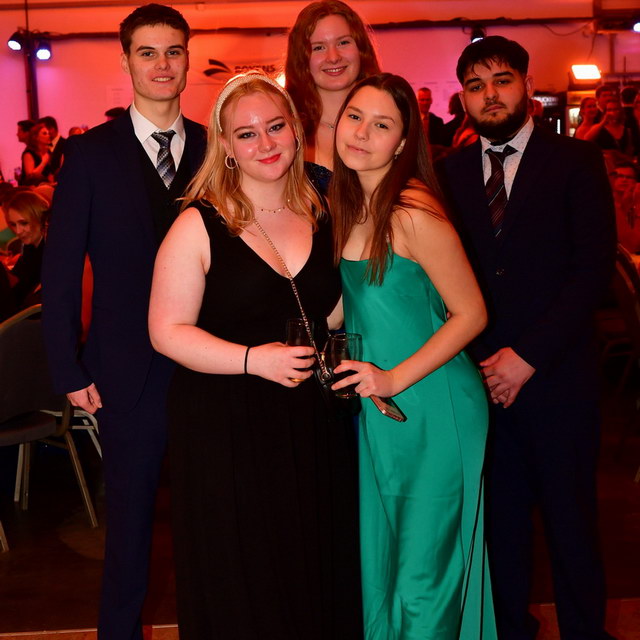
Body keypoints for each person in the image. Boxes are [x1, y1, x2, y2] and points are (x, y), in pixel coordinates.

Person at [148, 70, 362, 639]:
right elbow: (166, 331)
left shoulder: (324, 211)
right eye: (247, 134)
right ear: (225, 144)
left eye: (275, 127)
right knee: (244, 573)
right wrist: (252, 359)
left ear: (296, 130)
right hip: (225, 424)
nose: (265, 143)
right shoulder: (198, 223)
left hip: (310, 419)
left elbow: (328, 310)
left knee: (311, 563)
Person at [441, 36, 616, 640]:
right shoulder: (449, 174)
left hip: (559, 377)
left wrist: (528, 357)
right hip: (482, 382)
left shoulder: (576, 161)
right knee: (501, 527)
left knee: (572, 525)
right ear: (463, 98)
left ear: (527, 85)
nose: (489, 94)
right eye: (475, 85)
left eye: (502, 80)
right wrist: (483, 365)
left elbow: (591, 271)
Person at [41, 4, 206, 639]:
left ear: (187, 58)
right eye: (148, 52)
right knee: (130, 527)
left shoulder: (217, 147)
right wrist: (68, 367)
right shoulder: (88, 154)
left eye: (173, 51)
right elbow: (61, 269)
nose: (162, 64)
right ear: (126, 61)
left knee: (211, 520)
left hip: (211, 367)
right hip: (124, 372)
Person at [329, 72, 495, 640]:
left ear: (403, 143)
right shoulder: (351, 203)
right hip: (382, 408)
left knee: (423, 579)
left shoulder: (412, 210)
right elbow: (351, 306)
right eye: (355, 117)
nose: (361, 133)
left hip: (433, 405)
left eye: (381, 125)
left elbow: (471, 313)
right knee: (386, 566)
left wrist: (392, 378)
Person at [285, 0, 380, 170]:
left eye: (343, 43)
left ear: (361, 49)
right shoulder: (286, 130)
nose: (333, 57)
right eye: (318, 48)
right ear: (301, 59)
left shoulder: (391, 122)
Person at [4, 190, 48, 309]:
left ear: (39, 217)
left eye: (23, 223)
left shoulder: (50, 250)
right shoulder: (30, 246)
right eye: (13, 225)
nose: (18, 231)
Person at [610, 161, 640, 253]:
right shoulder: (609, 204)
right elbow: (633, 244)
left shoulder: (635, 204)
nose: (624, 180)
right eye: (619, 176)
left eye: (629, 177)